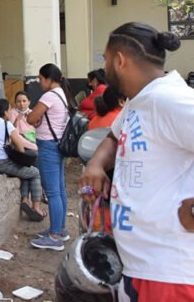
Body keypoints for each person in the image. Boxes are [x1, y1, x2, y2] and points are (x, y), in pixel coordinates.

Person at [79, 22, 194, 301]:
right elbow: (112, 137)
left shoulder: (171, 100)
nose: (104, 68)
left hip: (170, 275)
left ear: (119, 60)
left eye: (105, 60)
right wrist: (96, 164)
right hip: (140, 268)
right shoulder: (137, 103)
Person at [26, 63, 77, 251]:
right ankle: (60, 229)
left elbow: (31, 118)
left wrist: (35, 119)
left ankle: (55, 236)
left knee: (53, 192)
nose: (39, 82)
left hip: (48, 146)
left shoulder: (49, 96)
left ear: (48, 79)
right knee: (60, 189)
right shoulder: (62, 94)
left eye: (40, 78)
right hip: (58, 145)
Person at [0, 99, 45, 221]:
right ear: (4, 112)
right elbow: (19, 144)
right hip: (0, 163)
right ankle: (37, 208)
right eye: (9, 110)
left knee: (25, 171)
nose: (10, 113)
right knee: (34, 173)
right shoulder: (5, 124)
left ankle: (25, 200)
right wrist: (22, 157)